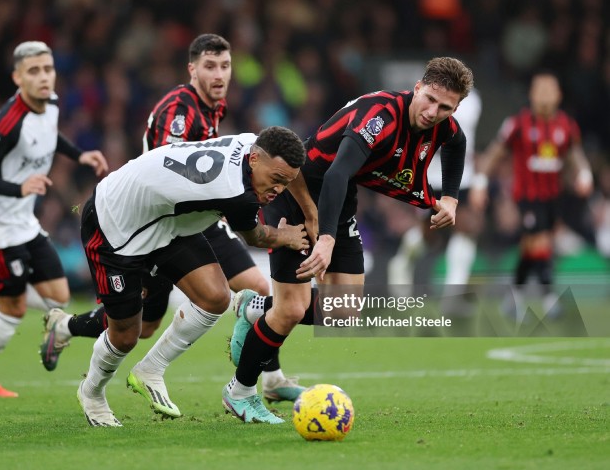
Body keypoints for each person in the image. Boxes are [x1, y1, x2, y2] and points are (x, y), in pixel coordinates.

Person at [39, 34, 306, 403]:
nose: (219, 74)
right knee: (140, 326)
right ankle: (67, 326)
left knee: (255, 289)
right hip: (163, 218)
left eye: (225, 66)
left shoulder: (215, 108)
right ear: (192, 69)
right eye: (210, 66)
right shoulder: (179, 111)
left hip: (203, 215)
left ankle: (269, 378)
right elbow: (170, 167)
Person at [224, 57, 474, 423]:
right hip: (296, 192)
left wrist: (450, 196)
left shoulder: (444, 125)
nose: (434, 112)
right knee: (291, 309)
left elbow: (457, 142)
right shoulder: (380, 117)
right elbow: (338, 172)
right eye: (430, 100)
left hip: (338, 200)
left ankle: (255, 308)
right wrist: (324, 237)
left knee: (345, 312)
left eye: (445, 107)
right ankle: (240, 393)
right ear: (417, 87)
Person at [75, 127, 308, 427]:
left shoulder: (252, 142)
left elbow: (290, 175)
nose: (278, 190)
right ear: (253, 160)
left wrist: (307, 209)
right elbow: (258, 236)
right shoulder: (237, 194)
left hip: (166, 222)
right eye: (275, 180)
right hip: (114, 225)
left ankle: (151, 370)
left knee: (215, 297)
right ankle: (91, 392)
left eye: (285, 183)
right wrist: (287, 237)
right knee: (126, 334)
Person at [0, 41, 108, 397]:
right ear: (17, 77)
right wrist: (19, 187)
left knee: (58, 296)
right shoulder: (8, 122)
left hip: (24, 221)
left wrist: (79, 155)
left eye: (48, 69)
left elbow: (48, 137)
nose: (43, 77)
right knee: (10, 308)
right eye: (33, 71)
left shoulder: (52, 102)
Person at [470, 71, 593, 319]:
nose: (545, 96)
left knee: (530, 248)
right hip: (527, 197)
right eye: (540, 91)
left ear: (559, 95)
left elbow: (574, 154)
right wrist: (480, 182)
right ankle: (549, 299)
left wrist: (585, 174)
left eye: (550, 91)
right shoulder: (518, 124)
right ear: (531, 95)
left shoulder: (566, 125)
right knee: (541, 243)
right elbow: (495, 153)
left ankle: (512, 298)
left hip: (552, 197)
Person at [387, 88, 483, 293]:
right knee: (429, 235)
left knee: (466, 228)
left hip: (461, 178)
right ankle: (402, 262)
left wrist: (478, 180)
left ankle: (454, 291)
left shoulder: (472, 100)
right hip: (428, 176)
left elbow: (467, 138)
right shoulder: (425, 97)